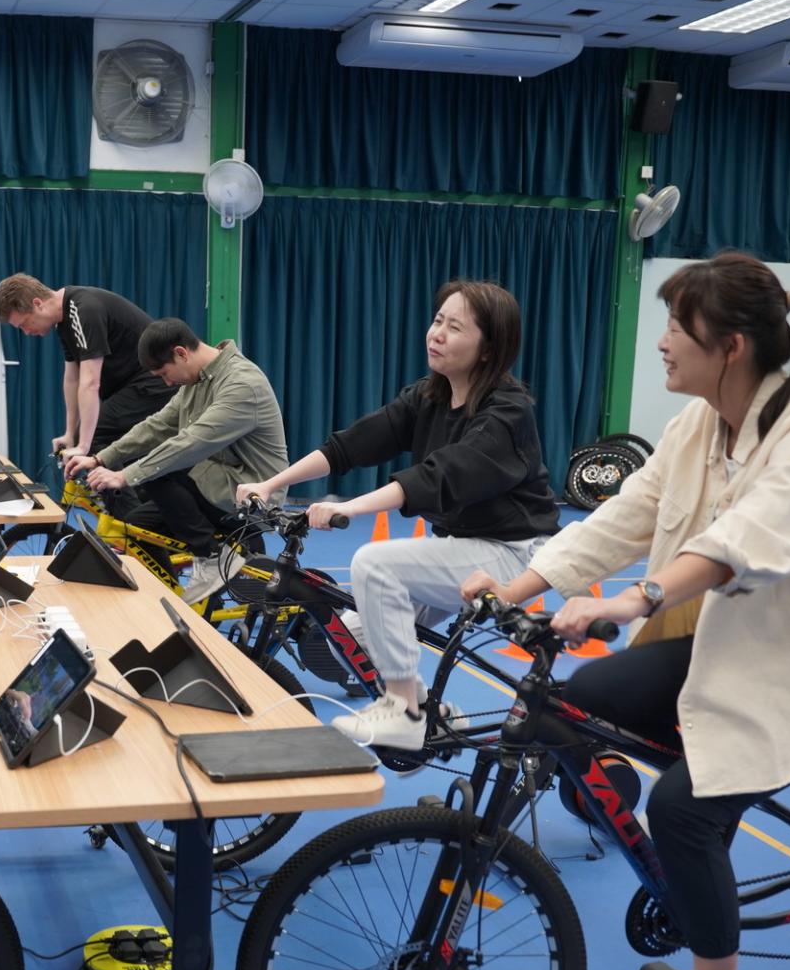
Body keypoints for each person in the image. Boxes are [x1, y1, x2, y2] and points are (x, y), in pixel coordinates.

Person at [462, 252, 790, 970]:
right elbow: (622, 518)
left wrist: (635, 599)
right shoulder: (697, 425)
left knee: (684, 809)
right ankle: (694, 866)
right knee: (580, 698)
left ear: (731, 346)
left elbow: (748, 538)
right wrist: (514, 588)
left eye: (676, 327)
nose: (662, 342)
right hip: (723, 648)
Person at [237, 281, 562, 751]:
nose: (437, 333)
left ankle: (405, 711)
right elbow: (352, 445)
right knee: (350, 636)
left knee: (374, 565)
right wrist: (271, 485)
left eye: (455, 327)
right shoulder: (430, 397)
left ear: (489, 349)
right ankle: (431, 714)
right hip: (461, 545)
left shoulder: (506, 414)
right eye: (437, 320)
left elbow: (439, 476)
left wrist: (348, 507)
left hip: (514, 553)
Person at [64, 319, 288, 603]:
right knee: (133, 529)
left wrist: (124, 475)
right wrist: (100, 458)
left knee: (158, 471)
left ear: (181, 353)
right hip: (214, 482)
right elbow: (157, 426)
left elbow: (190, 443)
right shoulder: (198, 379)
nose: (167, 383)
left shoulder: (242, 384)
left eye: (164, 374)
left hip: (250, 496)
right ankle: (181, 601)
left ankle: (212, 556)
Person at [0, 274, 178, 460]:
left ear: (37, 304)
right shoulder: (64, 322)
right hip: (133, 387)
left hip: (155, 382)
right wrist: (69, 434)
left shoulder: (84, 310)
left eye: (24, 324)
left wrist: (83, 445)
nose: (26, 332)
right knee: (93, 442)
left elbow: (90, 383)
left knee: (93, 438)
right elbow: (72, 379)